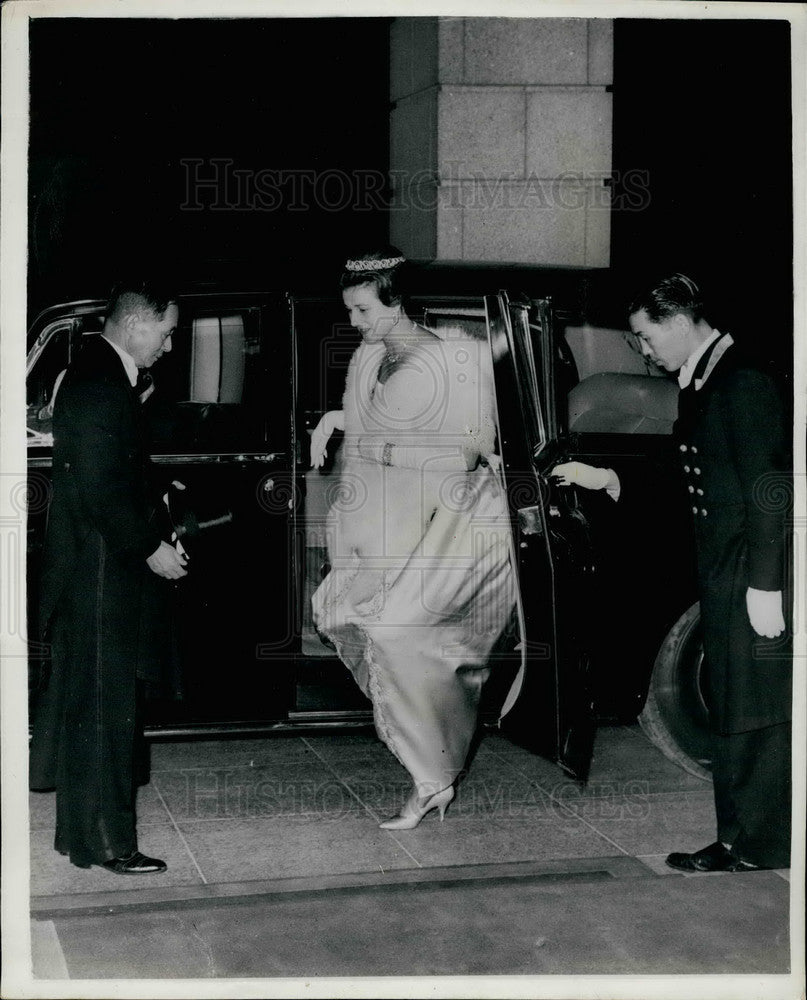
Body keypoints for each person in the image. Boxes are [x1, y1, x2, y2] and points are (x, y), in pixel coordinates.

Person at [553, 272, 791, 872]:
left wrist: (767, 586)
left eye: (645, 337)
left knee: (755, 711)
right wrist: (608, 477)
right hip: (724, 568)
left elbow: (769, 491)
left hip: (748, 569)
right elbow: (692, 468)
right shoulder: (704, 379)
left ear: (681, 322)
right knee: (736, 707)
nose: (643, 350)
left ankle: (759, 844)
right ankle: (742, 838)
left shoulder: (744, 380)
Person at [311, 248, 516, 829]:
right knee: (348, 619)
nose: (354, 322)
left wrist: (381, 450)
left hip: (445, 525)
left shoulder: (452, 360)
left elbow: (465, 451)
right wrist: (338, 419)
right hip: (381, 522)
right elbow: (382, 418)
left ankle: (432, 780)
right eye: (349, 311)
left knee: (405, 641)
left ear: (396, 302)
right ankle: (431, 774)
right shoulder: (372, 353)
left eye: (361, 310)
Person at [29, 279, 188, 875]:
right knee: (104, 709)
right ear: (135, 323)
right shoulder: (101, 381)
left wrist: (158, 500)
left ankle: (90, 838)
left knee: (96, 705)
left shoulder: (96, 369)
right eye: (166, 331)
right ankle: (111, 844)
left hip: (95, 566)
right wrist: (151, 547)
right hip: (102, 572)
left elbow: (114, 469)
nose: (169, 346)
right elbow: (99, 485)